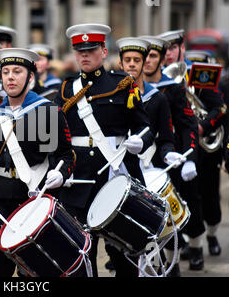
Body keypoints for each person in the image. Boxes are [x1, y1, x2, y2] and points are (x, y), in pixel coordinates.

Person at [54, 24, 154, 277]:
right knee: (81, 256)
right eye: (79, 51)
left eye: (91, 50)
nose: (84, 55)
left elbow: (145, 128)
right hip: (77, 183)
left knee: (124, 256)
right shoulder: (66, 90)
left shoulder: (122, 84)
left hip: (115, 178)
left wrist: (139, 142)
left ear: (103, 51)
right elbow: (56, 137)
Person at [0, 47, 75, 277]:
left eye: (17, 71)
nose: (10, 77)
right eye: (5, 71)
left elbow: (67, 155)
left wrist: (61, 174)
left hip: (34, 198)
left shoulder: (48, 111)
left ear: (30, 77)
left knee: (35, 268)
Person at [143, 33, 204, 275]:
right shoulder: (128, 88)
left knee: (182, 207)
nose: (147, 61)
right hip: (144, 157)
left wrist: (188, 158)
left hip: (173, 155)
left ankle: (194, 248)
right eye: (143, 56)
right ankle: (163, 260)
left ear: (160, 60)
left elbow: (188, 124)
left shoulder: (173, 89)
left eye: (153, 56)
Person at [184, 49, 227, 258]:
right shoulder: (169, 76)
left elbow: (220, 109)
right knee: (188, 196)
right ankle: (191, 242)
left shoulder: (203, 75)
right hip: (182, 147)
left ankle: (211, 234)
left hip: (206, 148)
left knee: (209, 195)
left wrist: (201, 127)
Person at [116, 36, 179, 171]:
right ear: (120, 64)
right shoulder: (110, 95)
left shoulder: (158, 98)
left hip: (149, 166)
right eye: (127, 60)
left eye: (137, 60)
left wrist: (167, 154)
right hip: (114, 164)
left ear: (143, 64)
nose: (132, 64)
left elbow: (166, 138)